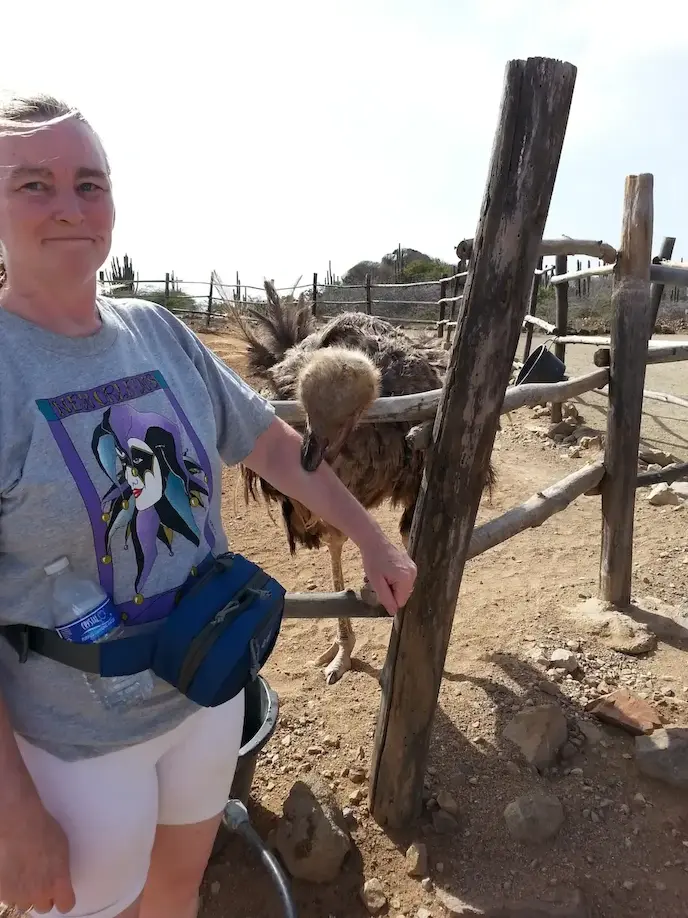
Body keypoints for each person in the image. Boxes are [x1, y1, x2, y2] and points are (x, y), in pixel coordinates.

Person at [0, 92, 417, 918]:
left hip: (208, 683)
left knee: (175, 894)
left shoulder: (157, 331)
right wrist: (14, 813)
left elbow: (267, 444)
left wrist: (371, 537)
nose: (70, 206)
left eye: (90, 183)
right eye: (33, 184)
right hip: (77, 737)